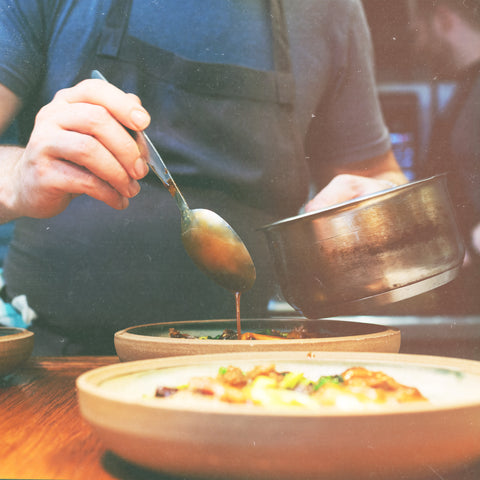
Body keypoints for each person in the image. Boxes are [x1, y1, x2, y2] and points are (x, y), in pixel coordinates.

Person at [0, 0, 406, 354]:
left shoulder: (332, 9)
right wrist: (19, 177)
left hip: (241, 367)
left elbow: (376, 176)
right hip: (47, 360)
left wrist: (377, 206)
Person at [409, 0, 480, 313]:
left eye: (418, 31)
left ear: (443, 19)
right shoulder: (467, 88)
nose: (419, 45)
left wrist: (472, 246)